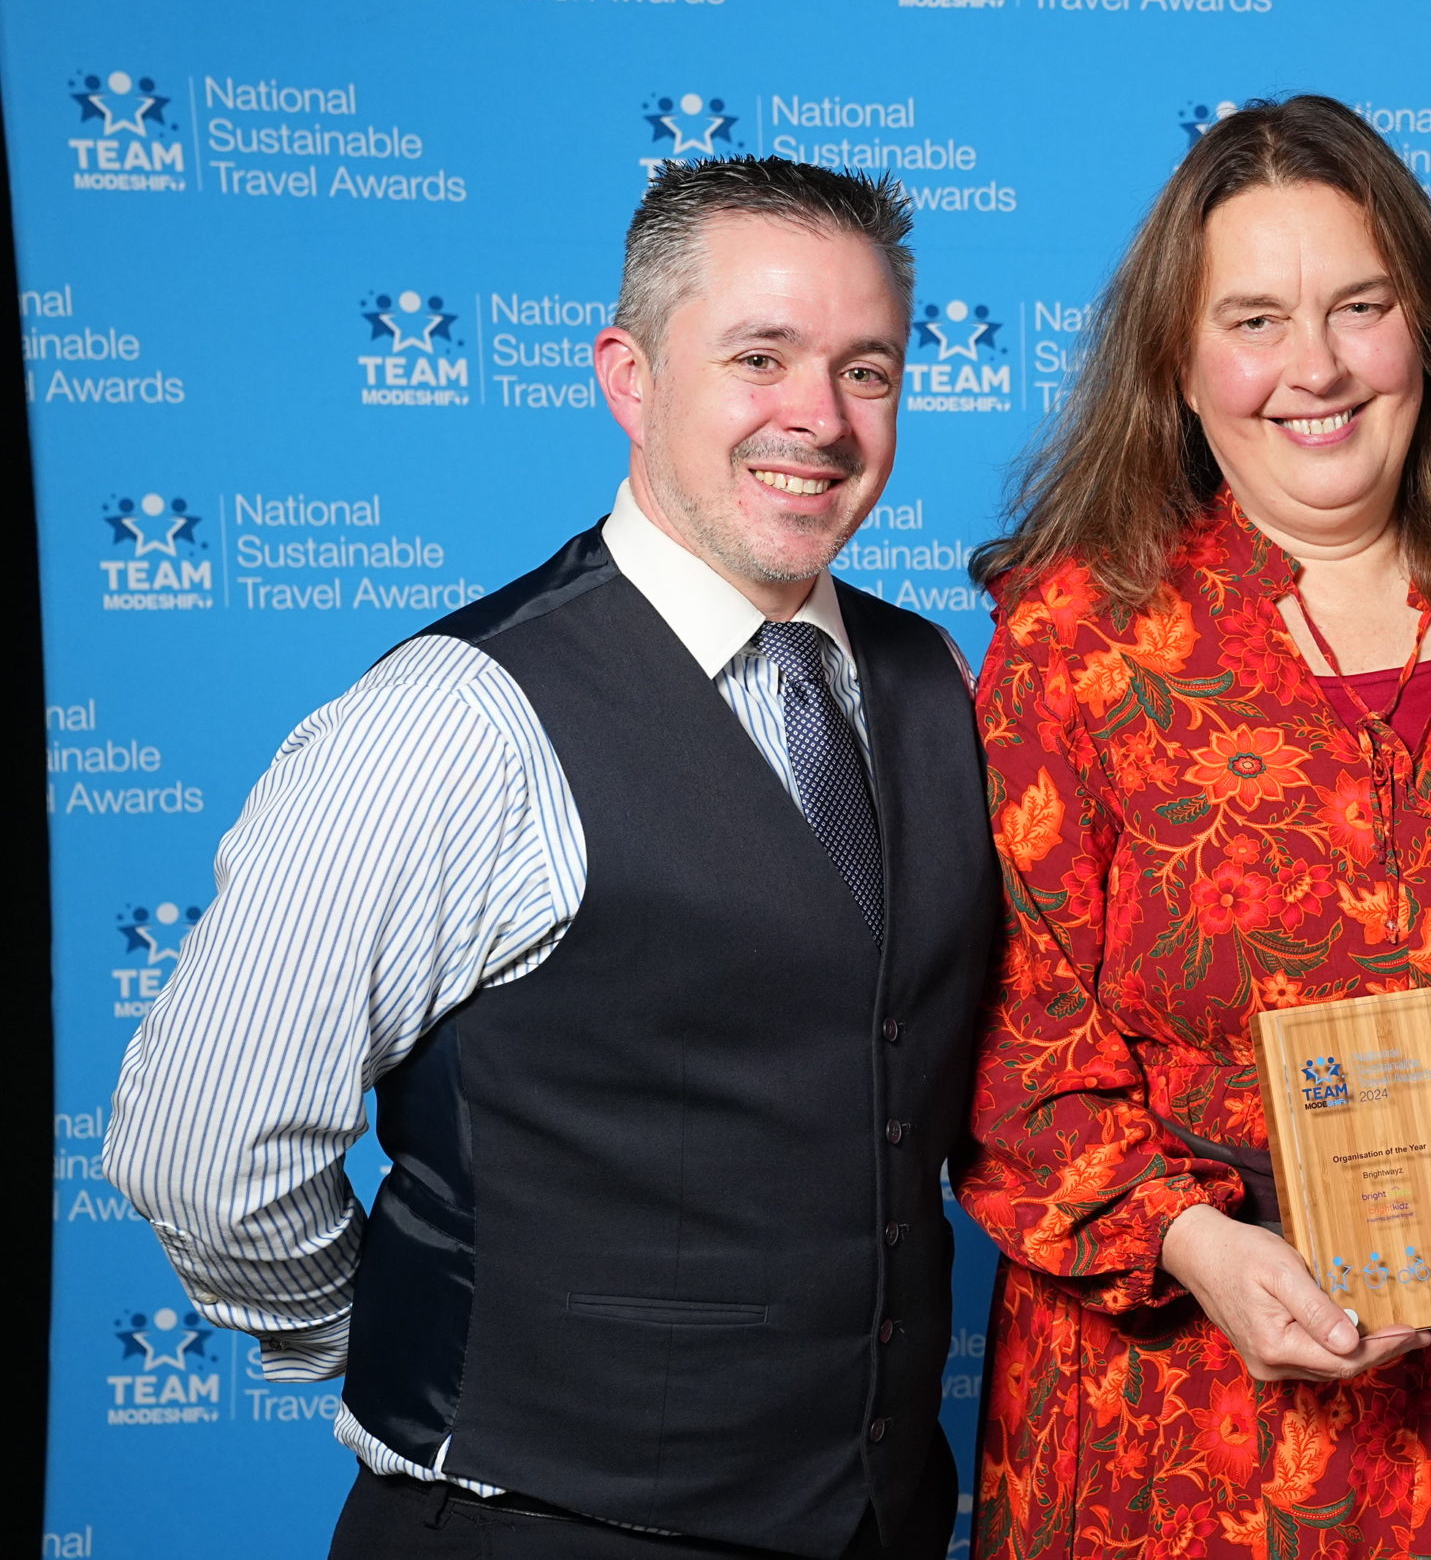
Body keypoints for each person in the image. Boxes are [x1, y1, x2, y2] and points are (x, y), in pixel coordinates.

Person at [105, 158, 996, 1560]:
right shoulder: (453, 720)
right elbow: (202, 1147)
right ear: (630, 376)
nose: (817, 419)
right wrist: (425, 1333)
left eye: (866, 369)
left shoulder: (937, 684)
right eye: (760, 356)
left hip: (877, 1522)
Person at [955, 94, 1431, 1560]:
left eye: (1358, 306)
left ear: (1429, 335)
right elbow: (1009, 1037)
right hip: (1171, 1409)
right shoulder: (1078, 641)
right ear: (1178, 366)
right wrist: (1192, 1241)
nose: (1312, 366)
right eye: (1253, 318)